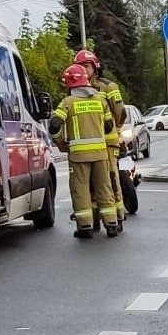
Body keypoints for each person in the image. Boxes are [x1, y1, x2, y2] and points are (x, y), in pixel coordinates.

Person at [50, 64, 119, 239]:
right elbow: (109, 126)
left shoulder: (68, 103)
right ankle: (111, 224)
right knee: (104, 188)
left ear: (70, 83)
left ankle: (85, 226)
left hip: (78, 157)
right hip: (101, 154)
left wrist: (59, 142)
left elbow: (54, 124)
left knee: (80, 190)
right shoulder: (100, 101)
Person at [74, 50, 127, 230]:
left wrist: (115, 130)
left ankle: (117, 217)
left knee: (110, 179)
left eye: (86, 66)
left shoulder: (108, 86)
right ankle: (94, 218)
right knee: (90, 184)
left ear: (95, 67)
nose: (83, 70)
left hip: (107, 142)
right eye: (80, 67)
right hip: (89, 145)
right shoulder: (77, 88)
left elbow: (121, 112)